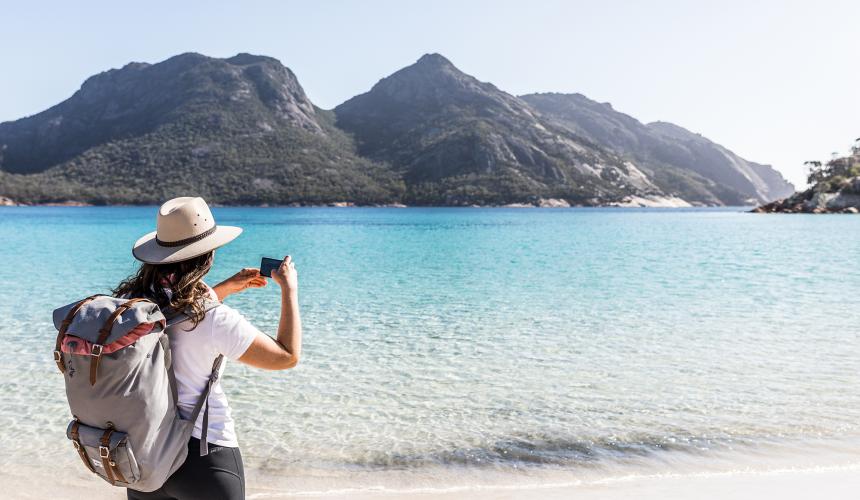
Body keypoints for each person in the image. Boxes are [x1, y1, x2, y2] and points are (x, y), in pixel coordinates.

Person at [118, 197, 302, 500]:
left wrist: (224, 289)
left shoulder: (133, 306)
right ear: (207, 256)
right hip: (205, 459)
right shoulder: (214, 319)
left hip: (145, 458)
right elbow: (286, 357)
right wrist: (289, 289)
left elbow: (175, 318)